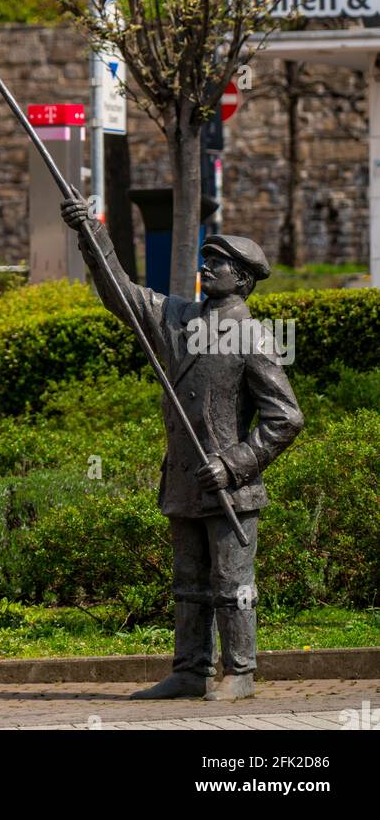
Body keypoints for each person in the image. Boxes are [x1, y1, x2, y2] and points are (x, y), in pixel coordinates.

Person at [60, 199, 304, 702]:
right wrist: (92, 233)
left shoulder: (252, 336)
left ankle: (239, 670)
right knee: (188, 583)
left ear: (242, 280)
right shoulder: (176, 318)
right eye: (206, 259)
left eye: (217, 263)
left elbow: (285, 417)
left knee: (232, 582)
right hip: (185, 479)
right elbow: (121, 295)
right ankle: (190, 669)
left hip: (229, 487)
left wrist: (235, 463)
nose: (205, 267)